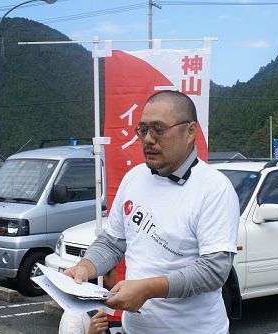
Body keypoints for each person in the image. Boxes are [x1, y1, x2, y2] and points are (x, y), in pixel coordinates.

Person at [64, 90, 240, 333]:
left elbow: (214, 270)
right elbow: (112, 242)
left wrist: (148, 289)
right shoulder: (133, 179)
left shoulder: (215, 188)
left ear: (190, 131)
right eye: (143, 130)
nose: (148, 139)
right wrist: (86, 267)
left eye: (158, 130)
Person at [59, 268, 122, 334]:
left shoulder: (107, 306)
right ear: (104, 276)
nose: (116, 274)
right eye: (115, 270)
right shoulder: (73, 317)